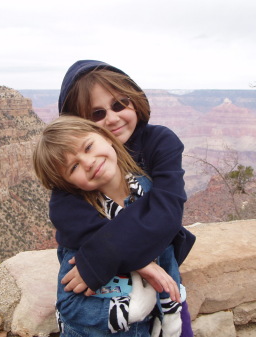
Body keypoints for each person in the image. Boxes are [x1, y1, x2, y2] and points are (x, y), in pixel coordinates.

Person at [50, 60, 195, 336]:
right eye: (96, 113)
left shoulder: (159, 142)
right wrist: (137, 260)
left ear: (135, 100)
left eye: (119, 104)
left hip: (165, 279)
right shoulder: (82, 163)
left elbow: (166, 213)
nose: (113, 118)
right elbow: (66, 214)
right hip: (110, 298)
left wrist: (103, 255)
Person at [33, 116, 185, 336]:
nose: (88, 162)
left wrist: (171, 316)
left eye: (88, 146)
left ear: (107, 137)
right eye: (74, 167)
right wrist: (130, 311)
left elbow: (166, 260)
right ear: (69, 185)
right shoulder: (83, 228)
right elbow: (69, 306)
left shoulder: (149, 195)